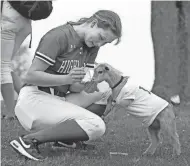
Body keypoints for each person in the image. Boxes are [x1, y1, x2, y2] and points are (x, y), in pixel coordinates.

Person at [10, 10, 122, 161]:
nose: (100, 44)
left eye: (105, 42)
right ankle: (29, 141)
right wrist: (67, 78)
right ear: (94, 23)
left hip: (57, 99)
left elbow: (74, 88)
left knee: (102, 94)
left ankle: (66, 140)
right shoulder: (59, 36)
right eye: (101, 37)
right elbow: (31, 76)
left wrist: (83, 82)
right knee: (96, 126)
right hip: (34, 99)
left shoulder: (92, 47)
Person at [1, 0, 32, 120]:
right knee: (5, 65)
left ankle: (10, 113)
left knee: (2, 66)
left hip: (9, 22)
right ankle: (28, 102)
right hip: (25, 23)